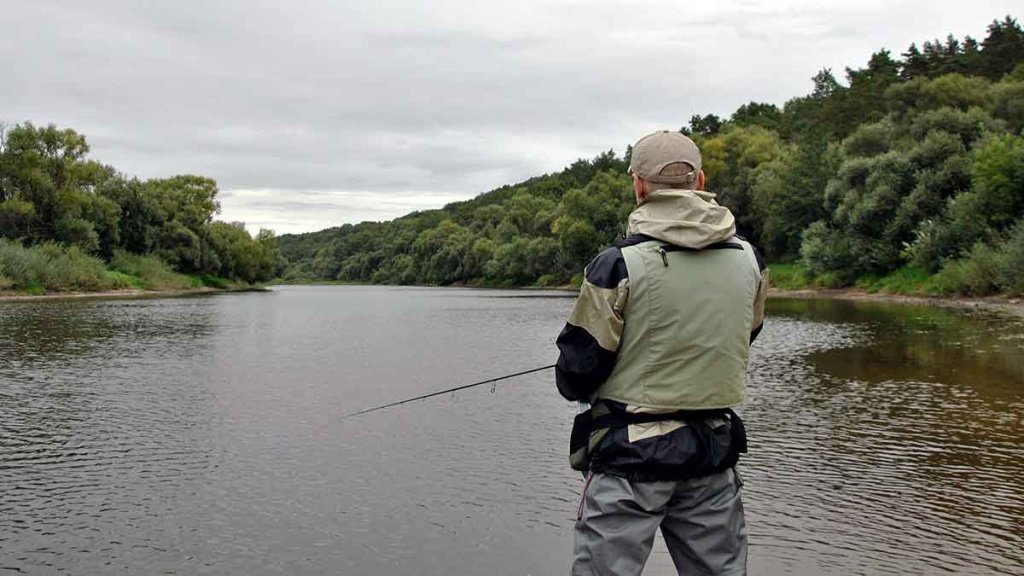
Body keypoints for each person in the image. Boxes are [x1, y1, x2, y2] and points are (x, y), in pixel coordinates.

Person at [555, 130, 768, 576]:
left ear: (639, 185)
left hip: (630, 459)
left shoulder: (617, 264)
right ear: (700, 179)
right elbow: (744, 335)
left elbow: (575, 373)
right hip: (711, 451)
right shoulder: (750, 259)